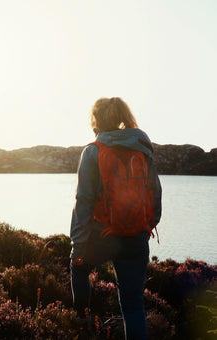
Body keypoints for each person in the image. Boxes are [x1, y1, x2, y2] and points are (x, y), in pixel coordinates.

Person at [70, 97, 162, 339]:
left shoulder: (92, 152)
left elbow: (84, 201)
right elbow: (156, 193)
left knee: (78, 268)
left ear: (96, 121)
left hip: (103, 236)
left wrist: (78, 246)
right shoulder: (142, 148)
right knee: (133, 305)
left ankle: (82, 322)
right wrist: (146, 227)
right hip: (137, 237)